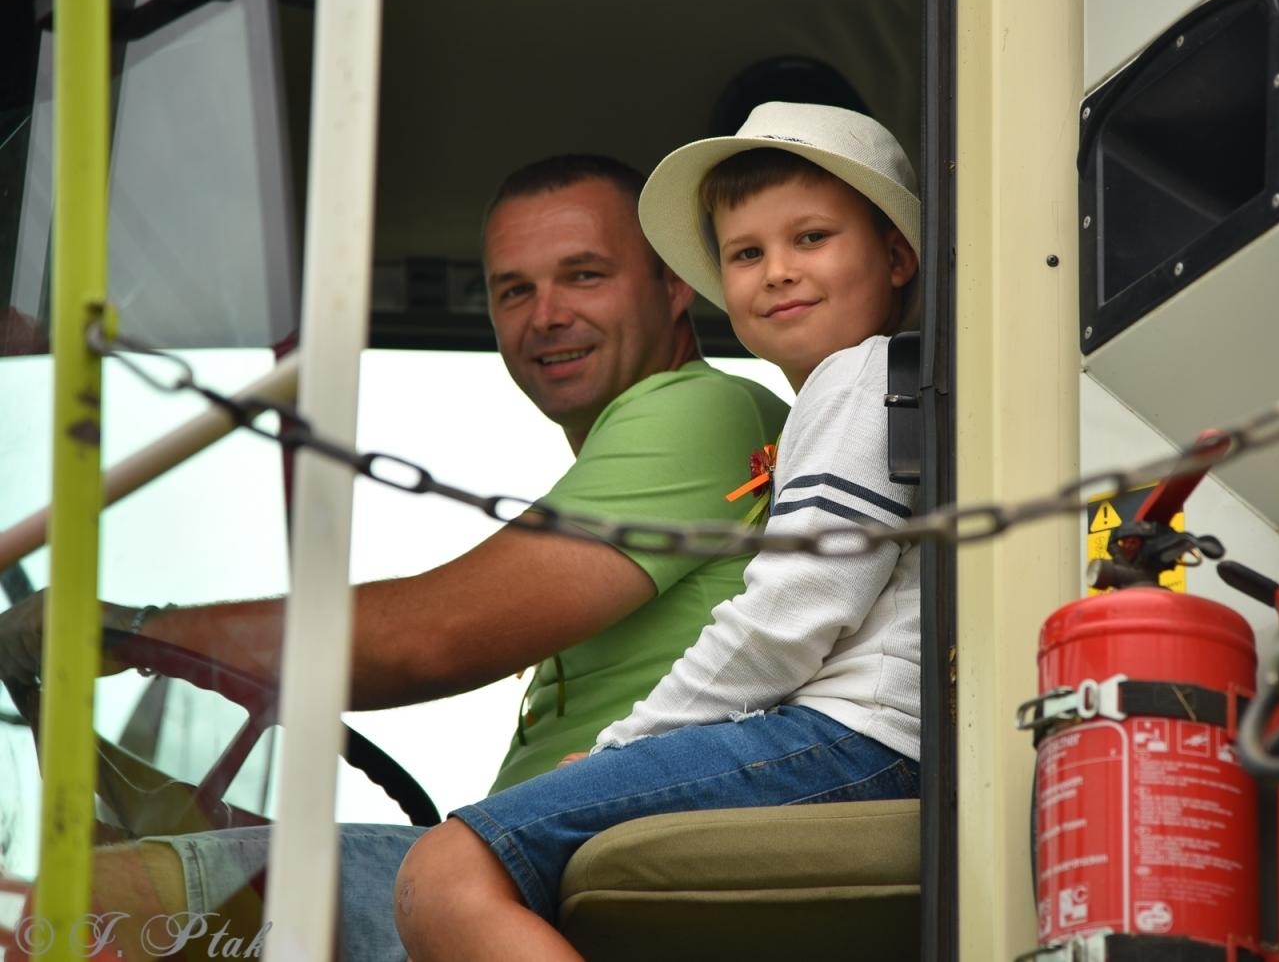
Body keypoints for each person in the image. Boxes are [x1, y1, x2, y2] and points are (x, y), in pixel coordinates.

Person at [0, 154, 789, 961]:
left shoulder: (702, 409)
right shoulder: (647, 448)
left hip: (585, 884)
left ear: (674, 286)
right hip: (531, 873)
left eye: (584, 276)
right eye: (514, 290)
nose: (546, 314)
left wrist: (131, 633)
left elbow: (430, 636)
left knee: (101, 906)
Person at [392, 101, 923, 961]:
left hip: (855, 737)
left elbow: (792, 614)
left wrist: (620, 751)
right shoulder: (859, 394)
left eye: (811, 238)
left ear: (896, 255)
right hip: (859, 736)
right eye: (747, 253)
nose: (777, 272)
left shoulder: (860, 381)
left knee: (448, 873)